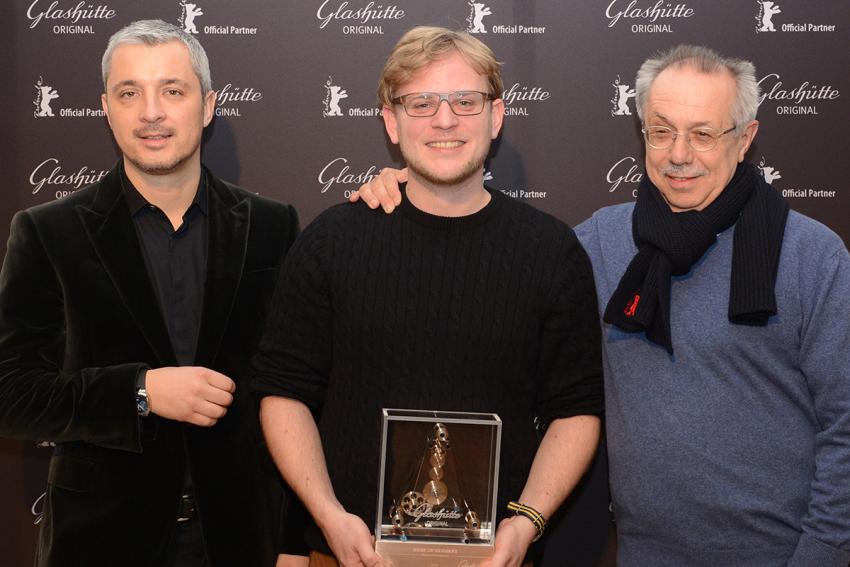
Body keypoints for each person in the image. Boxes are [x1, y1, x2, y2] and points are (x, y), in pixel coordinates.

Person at [357, 44, 850, 566]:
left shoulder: (810, 256)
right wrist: (417, 191)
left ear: (745, 138)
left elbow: (845, 427)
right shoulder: (599, 245)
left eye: (703, 134)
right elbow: (485, 275)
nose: (679, 153)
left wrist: (819, 555)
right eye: (661, 131)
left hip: (784, 555)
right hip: (642, 555)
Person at [252, 26, 604, 567]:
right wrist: (327, 515)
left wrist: (526, 523)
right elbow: (283, 393)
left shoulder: (552, 251)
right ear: (391, 122)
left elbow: (576, 409)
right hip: (350, 554)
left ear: (497, 115)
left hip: (495, 559)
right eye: (421, 103)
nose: (445, 120)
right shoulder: (331, 242)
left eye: (466, 100)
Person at [0, 20, 304, 567]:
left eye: (172, 90)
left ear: (207, 106)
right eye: (129, 93)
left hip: (241, 543)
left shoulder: (272, 226)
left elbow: (299, 391)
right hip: (99, 545)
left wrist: (294, 541)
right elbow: (11, 393)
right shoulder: (48, 232)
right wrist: (138, 391)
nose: (151, 112)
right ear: (106, 108)